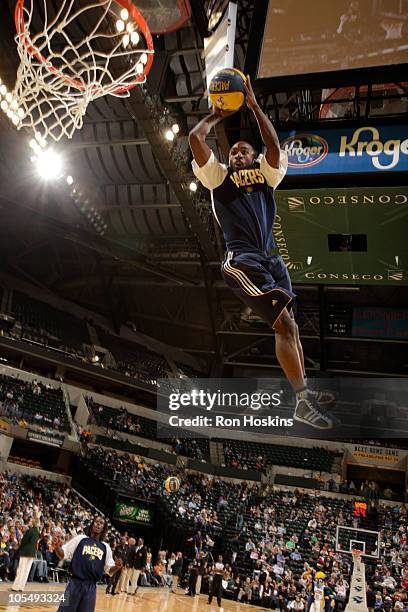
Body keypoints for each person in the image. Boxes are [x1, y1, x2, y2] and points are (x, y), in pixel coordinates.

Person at [189, 75, 337, 430]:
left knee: (292, 329)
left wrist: (254, 106)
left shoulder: (266, 173)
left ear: (253, 157)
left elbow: (273, 145)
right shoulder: (217, 176)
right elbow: (195, 138)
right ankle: (301, 402)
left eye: (244, 150)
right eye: (234, 151)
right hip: (241, 259)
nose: (237, 153)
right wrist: (216, 115)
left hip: (271, 259)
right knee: (284, 325)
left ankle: (305, 393)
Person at [53, 516, 122, 612]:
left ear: (104, 528)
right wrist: (56, 547)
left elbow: (109, 570)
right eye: (96, 521)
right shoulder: (80, 539)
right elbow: (63, 554)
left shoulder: (106, 547)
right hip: (74, 583)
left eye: (101, 523)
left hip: (91, 587)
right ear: (92, 524)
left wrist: (117, 567)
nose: (98, 524)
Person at [11, 515, 40, 592]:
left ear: (33, 523)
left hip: (25, 552)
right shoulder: (37, 531)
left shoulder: (29, 531)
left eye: (30, 522)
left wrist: (19, 547)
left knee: (21, 569)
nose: (29, 523)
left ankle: (16, 587)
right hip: (32, 553)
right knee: (26, 570)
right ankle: (21, 587)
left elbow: (24, 542)